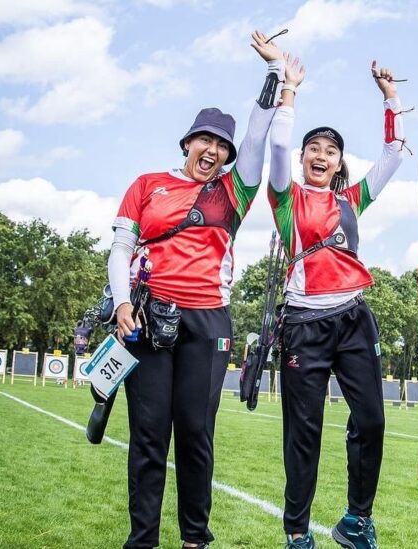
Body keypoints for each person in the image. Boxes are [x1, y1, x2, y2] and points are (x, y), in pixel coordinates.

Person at [107, 30, 290, 549]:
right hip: (145, 316)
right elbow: (121, 248)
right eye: (204, 139)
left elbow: (257, 136)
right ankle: (141, 539)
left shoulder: (233, 189)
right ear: (187, 142)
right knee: (147, 435)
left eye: (221, 146)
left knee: (194, 434)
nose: (212, 150)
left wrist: (273, 73)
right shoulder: (147, 185)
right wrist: (122, 301)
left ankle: (195, 539)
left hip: (207, 319)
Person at [263, 36, 407, 549]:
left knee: (371, 420)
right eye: (314, 149)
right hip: (304, 324)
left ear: (340, 162)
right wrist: (288, 90)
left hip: (353, 317)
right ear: (303, 160)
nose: (321, 155)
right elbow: (278, 146)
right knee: (304, 435)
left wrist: (389, 98)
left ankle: (356, 520)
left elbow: (393, 155)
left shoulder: (352, 198)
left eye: (331, 150)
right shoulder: (285, 197)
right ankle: (298, 533)